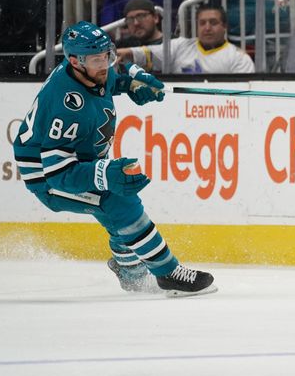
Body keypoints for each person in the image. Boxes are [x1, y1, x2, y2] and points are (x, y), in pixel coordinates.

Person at [12, 20, 217, 297]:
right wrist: (104, 174)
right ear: (75, 61)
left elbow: (114, 75)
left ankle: (130, 274)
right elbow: (59, 173)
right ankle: (168, 273)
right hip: (49, 179)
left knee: (116, 213)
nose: (105, 64)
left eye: (108, 55)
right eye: (98, 59)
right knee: (119, 202)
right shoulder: (66, 105)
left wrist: (134, 81)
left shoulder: (88, 70)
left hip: (81, 160)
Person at [118, 5, 254, 74]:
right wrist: (124, 52)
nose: (207, 28)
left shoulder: (239, 57)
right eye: (202, 23)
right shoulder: (181, 45)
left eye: (213, 23)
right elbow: (147, 53)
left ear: (224, 26)